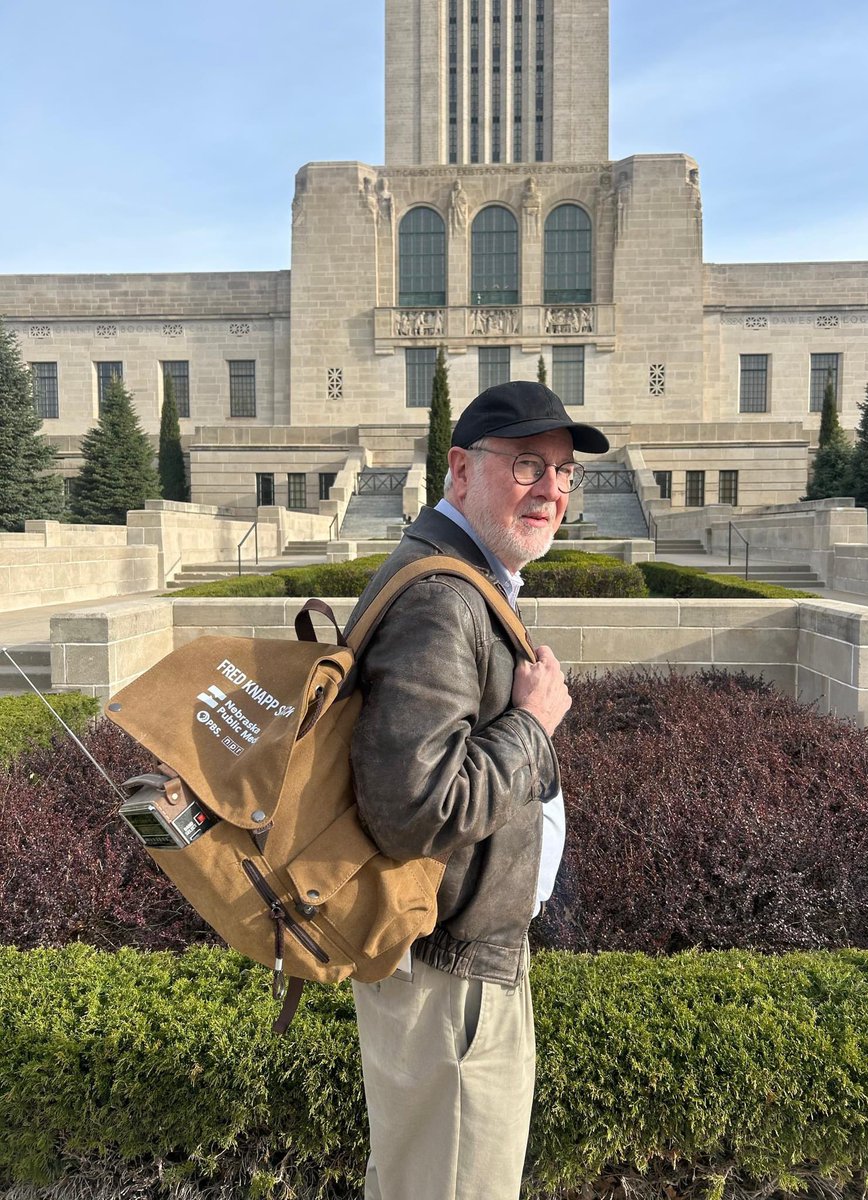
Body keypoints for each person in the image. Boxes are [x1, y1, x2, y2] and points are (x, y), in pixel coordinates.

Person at [345, 381, 609, 1200]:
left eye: (564, 474)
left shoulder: (465, 578)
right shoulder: (441, 597)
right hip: (449, 984)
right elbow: (414, 810)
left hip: (456, 969)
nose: (552, 492)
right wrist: (533, 725)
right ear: (459, 471)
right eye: (529, 464)